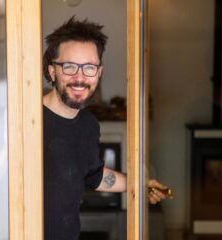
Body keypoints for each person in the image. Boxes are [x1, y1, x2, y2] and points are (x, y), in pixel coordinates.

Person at [43, 17, 170, 240]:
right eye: (69, 66)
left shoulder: (88, 125)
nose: (80, 77)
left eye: (89, 67)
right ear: (52, 71)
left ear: (99, 73)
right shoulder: (27, 120)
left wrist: (139, 184)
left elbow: (95, 176)